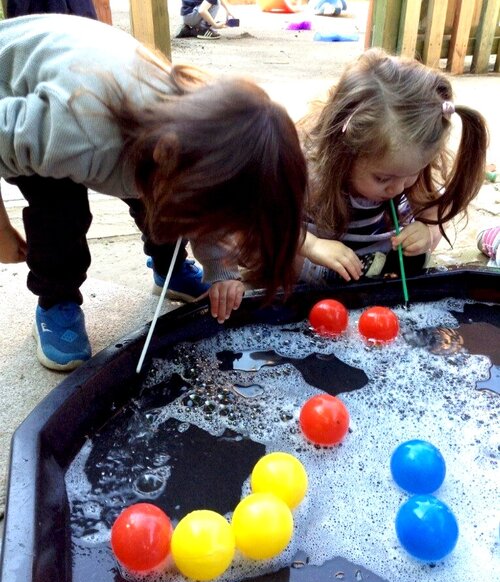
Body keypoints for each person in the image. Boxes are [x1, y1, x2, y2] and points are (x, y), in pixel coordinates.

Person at [0, 14, 307, 371]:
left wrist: (222, 270)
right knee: (60, 210)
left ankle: (170, 268)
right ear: (165, 154)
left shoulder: (191, 145)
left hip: (109, 102)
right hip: (19, 86)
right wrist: (2, 232)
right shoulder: (74, 133)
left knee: (169, 202)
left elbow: (212, 204)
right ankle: (56, 300)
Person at [295, 47, 489, 286]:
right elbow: (266, 225)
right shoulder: (310, 172)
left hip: (378, 262)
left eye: (410, 175)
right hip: (314, 265)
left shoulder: (404, 167)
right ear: (344, 151)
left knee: (428, 226)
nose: (397, 188)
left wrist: (426, 232)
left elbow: (434, 212)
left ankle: (379, 272)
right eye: (383, 179)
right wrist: (312, 245)